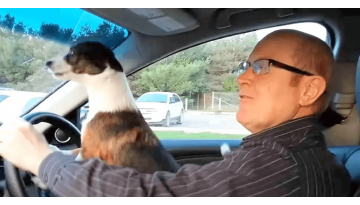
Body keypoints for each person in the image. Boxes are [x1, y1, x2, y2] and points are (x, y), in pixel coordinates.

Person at [0, 29, 352, 197]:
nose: (241, 76)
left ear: (309, 89)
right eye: (245, 64)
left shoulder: (278, 167)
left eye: (261, 67)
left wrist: (44, 160)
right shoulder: (287, 157)